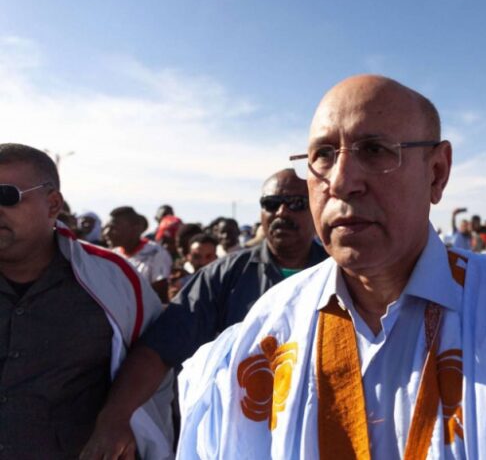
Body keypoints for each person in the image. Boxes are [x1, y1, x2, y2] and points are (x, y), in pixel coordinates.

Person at [175, 75, 486, 458]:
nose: (342, 182)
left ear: (437, 172)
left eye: (374, 150)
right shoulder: (263, 336)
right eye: (324, 155)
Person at [80, 168, 328, 459]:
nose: (281, 212)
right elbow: (158, 349)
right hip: (247, 437)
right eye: (271, 203)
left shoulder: (343, 274)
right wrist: (115, 418)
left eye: (296, 203)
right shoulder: (224, 277)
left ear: (316, 206)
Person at [0, 143, 173, 459]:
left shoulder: (114, 281)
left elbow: (157, 359)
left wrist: (119, 417)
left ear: (53, 204)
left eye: (6, 196)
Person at [105, 206, 173, 302]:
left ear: (135, 228)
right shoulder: (112, 255)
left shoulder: (156, 254)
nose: (107, 233)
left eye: (114, 227)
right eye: (106, 227)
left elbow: (159, 295)